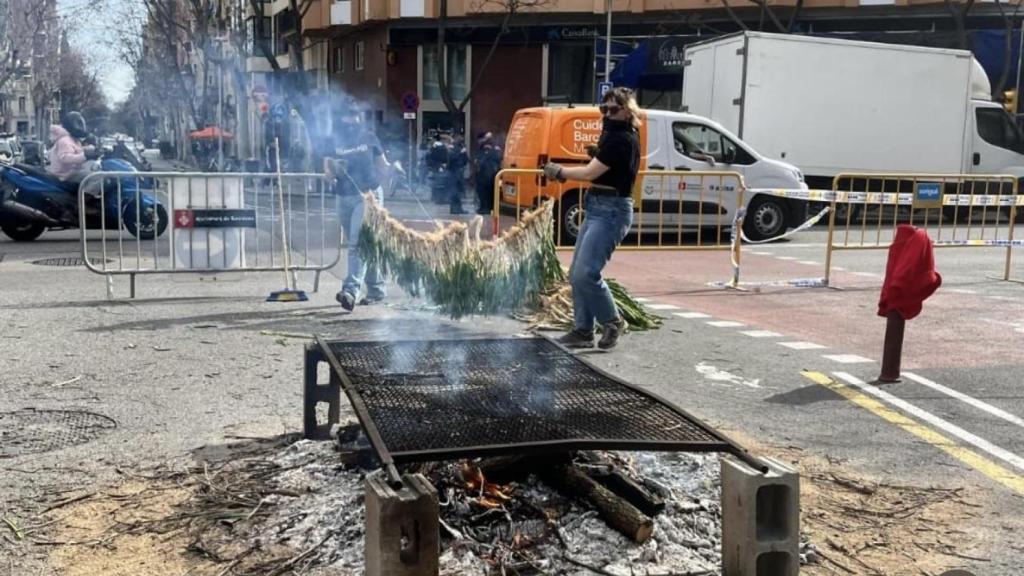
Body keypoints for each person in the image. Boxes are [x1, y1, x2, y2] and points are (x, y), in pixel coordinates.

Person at [542, 87, 641, 351]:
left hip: (611, 211)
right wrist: (598, 151)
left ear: (628, 111)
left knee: (586, 273)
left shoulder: (621, 138)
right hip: (598, 206)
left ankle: (612, 321)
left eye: (613, 109)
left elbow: (589, 173)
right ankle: (583, 330)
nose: (607, 114)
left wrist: (559, 171)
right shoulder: (614, 134)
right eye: (604, 108)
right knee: (576, 273)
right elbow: (607, 167)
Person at [326, 110, 390, 311]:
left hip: (368, 195)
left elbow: (383, 165)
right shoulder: (333, 140)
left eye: (354, 119)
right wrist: (333, 169)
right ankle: (377, 289)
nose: (351, 124)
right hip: (343, 197)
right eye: (347, 120)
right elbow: (327, 174)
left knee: (357, 243)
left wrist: (396, 172)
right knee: (365, 244)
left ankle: (350, 291)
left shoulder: (369, 137)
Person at [47, 111, 100, 182]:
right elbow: (65, 157)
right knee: (94, 179)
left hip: (71, 173)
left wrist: (90, 150)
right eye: (79, 124)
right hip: (64, 176)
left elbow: (75, 150)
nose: (81, 127)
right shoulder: (64, 140)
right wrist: (85, 155)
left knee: (93, 175)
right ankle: (88, 193)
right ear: (71, 125)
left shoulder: (73, 140)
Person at [474, 132, 502, 215]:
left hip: (490, 175)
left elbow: (498, 159)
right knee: (481, 192)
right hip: (482, 175)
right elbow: (477, 160)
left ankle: (488, 207)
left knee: (489, 192)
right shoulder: (481, 149)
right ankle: (483, 207)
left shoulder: (494, 150)